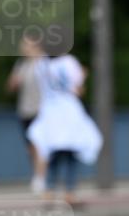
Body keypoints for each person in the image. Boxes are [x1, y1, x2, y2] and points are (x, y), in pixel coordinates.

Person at [26, 49, 103, 207]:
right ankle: (70, 193)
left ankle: (48, 193)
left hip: (50, 113)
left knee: (53, 154)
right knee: (71, 155)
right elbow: (78, 90)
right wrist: (83, 76)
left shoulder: (42, 64)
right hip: (69, 111)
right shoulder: (70, 62)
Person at [6, 32, 44, 192]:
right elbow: (10, 87)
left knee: (39, 145)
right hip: (25, 111)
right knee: (30, 147)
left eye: (26, 44)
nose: (23, 47)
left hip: (41, 111)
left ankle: (40, 178)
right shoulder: (21, 65)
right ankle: (39, 174)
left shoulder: (44, 63)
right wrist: (14, 82)